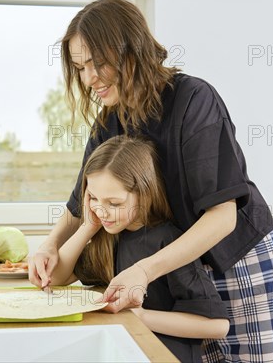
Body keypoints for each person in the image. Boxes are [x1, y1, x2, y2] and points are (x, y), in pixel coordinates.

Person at [29, 0, 273, 362]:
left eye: (98, 63)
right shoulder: (107, 122)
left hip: (241, 264)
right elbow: (83, 204)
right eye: (80, 68)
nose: (89, 78)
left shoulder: (194, 100)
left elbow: (223, 216)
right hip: (176, 274)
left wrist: (144, 269)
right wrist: (49, 245)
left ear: (131, 51)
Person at [48, 135, 230, 362]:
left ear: (144, 194)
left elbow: (217, 326)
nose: (101, 211)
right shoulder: (106, 238)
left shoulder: (168, 241)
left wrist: (141, 316)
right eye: (93, 198)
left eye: (114, 203)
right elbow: (55, 278)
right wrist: (87, 226)